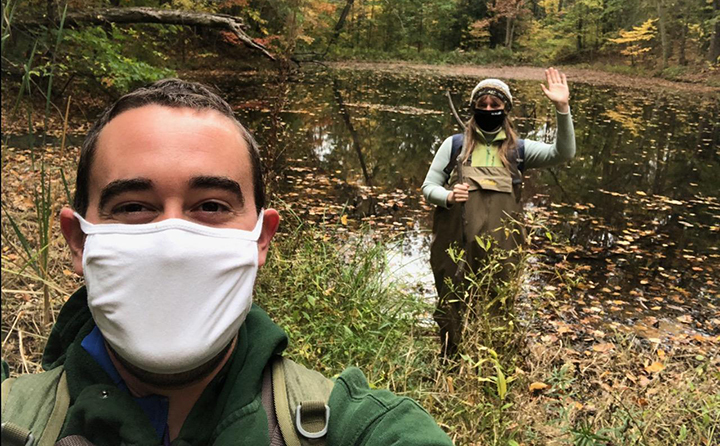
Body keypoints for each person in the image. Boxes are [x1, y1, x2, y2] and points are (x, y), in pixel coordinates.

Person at [1, 79, 453, 446]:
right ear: (79, 241)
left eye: (212, 206)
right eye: (135, 206)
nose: (173, 245)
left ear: (261, 239)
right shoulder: (11, 418)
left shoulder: (358, 429)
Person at [422, 68, 576, 356]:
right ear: (473, 109)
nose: (489, 109)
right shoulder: (455, 145)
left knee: (498, 307)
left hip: (502, 250)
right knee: (451, 305)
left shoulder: (519, 150)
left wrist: (562, 108)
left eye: (495, 105)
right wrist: (448, 195)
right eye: (482, 105)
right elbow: (429, 186)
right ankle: (451, 361)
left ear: (506, 109)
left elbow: (564, 153)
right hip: (455, 244)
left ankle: (493, 361)